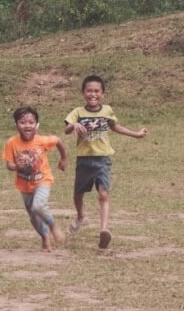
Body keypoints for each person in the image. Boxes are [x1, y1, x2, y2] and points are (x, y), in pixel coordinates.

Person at [64, 75, 147, 249]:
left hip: (102, 159)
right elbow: (66, 129)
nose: (93, 94)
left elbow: (115, 126)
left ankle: (104, 230)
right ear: (83, 93)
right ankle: (80, 216)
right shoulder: (78, 112)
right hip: (84, 160)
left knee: (103, 194)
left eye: (96, 91)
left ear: (102, 94)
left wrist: (136, 134)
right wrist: (73, 126)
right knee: (78, 194)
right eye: (89, 91)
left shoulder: (107, 110)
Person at [2, 106, 68, 251]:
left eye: (31, 122)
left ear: (37, 125)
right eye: (23, 122)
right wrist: (16, 166)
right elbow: (9, 164)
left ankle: (53, 227)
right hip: (24, 185)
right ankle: (45, 237)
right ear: (16, 125)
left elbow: (58, 141)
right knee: (33, 216)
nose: (27, 125)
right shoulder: (11, 143)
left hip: (42, 180)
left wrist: (63, 158)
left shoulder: (43, 140)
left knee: (38, 206)